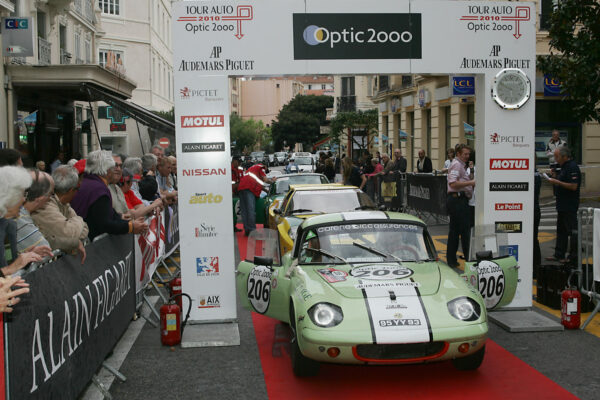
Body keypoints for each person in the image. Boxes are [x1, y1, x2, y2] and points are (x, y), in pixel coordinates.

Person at [71, 150, 148, 241]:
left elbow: (104, 214)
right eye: (113, 168)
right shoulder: (99, 189)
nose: (115, 171)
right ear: (107, 170)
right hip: (91, 245)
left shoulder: (88, 182)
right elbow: (105, 224)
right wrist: (131, 227)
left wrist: (120, 218)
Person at [31, 166, 88, 262]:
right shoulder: (46, 206)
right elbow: (69, 234)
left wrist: (74, 237)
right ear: (71, 190)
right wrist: (80, 220)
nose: (48, 196)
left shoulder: (64, 204)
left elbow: (85, 229)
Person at [546, 146, 581, 264]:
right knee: (561, 231)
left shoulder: (572, 167)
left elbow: (573, 186)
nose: (556, 159)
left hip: (569, 205)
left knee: (572, 231)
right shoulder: (563, 167)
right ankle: (559, 254)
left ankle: (573, 257)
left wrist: (557, 182)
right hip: (561, 204)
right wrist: (554, 176)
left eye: (557, 156)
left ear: (565, 157)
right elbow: (561, 181)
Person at [446, 144, 475, 268]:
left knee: (456, 231)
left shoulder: (460, 165)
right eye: (465, 154)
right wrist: (471, 182)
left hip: (458, 200)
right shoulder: (457, 165)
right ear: (458, 154)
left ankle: (452, 260)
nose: (467, 156)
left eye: (468, 154)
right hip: (458, 200)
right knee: (464, 232)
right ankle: (468, 260)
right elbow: (452, 183)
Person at [15, 170, 53, 253]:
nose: (51, 199)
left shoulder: (21, 212)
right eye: (51, 194)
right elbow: (46, 253)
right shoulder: (19, 217)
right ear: (41, 198)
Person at [238, 164, 274, 236]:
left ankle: (247, 230)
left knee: (244, 211)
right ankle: (252, 231)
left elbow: (257, 181)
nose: (265, 173)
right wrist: (272, 181)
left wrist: (265, 190)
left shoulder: (252, 168)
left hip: (242, 188)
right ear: (265, 167)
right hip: (249, 189)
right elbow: (265, 179)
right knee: (250, 210)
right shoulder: (261, 167)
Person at [231, 156, 243, 232]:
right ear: (234, 161)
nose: (239, 164)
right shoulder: (229, 169)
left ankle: (234, 226)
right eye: (238, 162)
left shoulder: (239, 169)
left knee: (235, 211)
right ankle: (232, 226)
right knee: (232, 211)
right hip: (232, 192)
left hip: (238, 192)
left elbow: (242, 179)